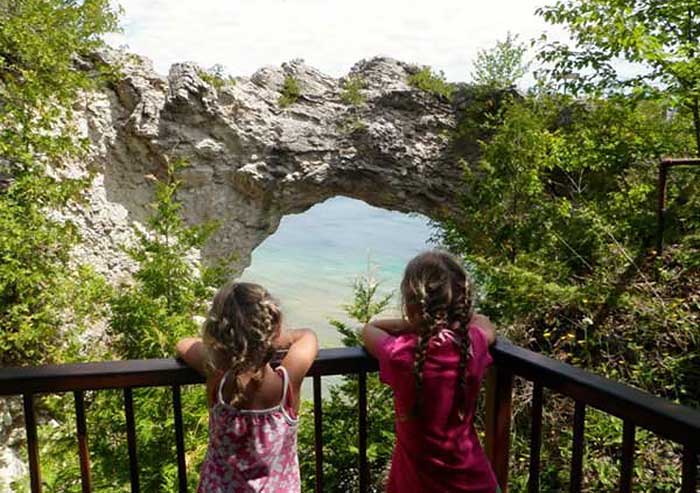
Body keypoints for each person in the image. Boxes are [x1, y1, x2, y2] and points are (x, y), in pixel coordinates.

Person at [362, 250, 499, 493]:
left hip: (415, 484)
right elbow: (485, 323)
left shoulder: (401, 354)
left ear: (411, 303)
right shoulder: (471, 344)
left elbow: (370, 330)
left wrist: (413, 325)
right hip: (474, 481)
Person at [176, 281, 318, 493]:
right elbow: (308, 336)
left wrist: (220, 349)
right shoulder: (286, 384)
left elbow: (183, 344)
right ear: (273, 327)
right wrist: (274, 339)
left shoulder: (218, 377)